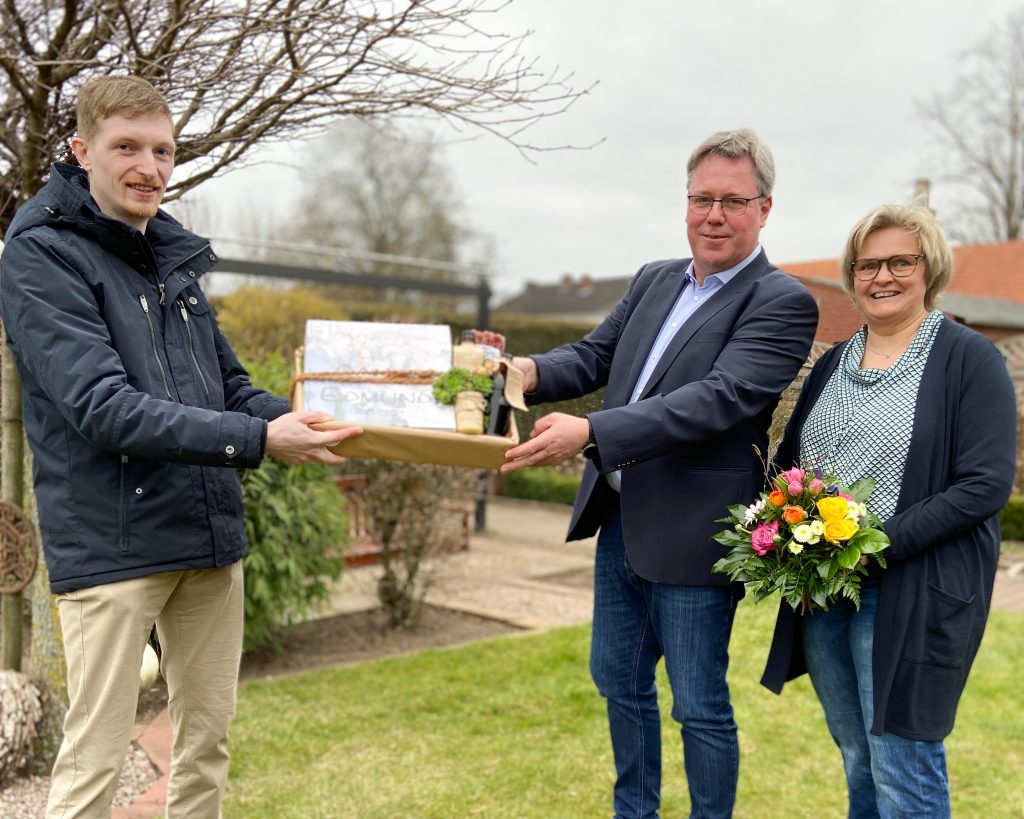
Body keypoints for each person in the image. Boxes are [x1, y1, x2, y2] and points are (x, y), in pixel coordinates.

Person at [0, 75, 363, 819]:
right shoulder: (40, 256)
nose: (149, 167)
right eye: (126, 147)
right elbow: (105, 409)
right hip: (112, 544)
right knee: (94, 763)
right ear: (81, 151)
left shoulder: (169, 254)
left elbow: (227, 384)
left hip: (204, 536)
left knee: (207, 746)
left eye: (162, 150)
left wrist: (306, 419)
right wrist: (262, 439)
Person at [501, 129, 818, 819]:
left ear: (765, 208)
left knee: (698, 702)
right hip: (620, 519)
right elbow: (592, 357)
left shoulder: (781, 300)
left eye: (732, 200)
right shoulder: (653, 279)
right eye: (702, 197)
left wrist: (593, 432)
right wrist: (523, 370)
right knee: (618, 681)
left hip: (695, 532)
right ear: (685, 203)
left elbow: (719, 398)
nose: (713, 214)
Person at [760, 202, 1017, 818]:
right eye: (868, 264)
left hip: (913, 591)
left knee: (903, 760)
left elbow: (984, 484)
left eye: (901, 261)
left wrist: (870, 542)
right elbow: (791, 466)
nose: (883, 277)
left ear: (930, 268)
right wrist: (781, 526)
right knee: (858, 756)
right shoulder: (831, 365)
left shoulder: (968, 359)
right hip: (826, 596)